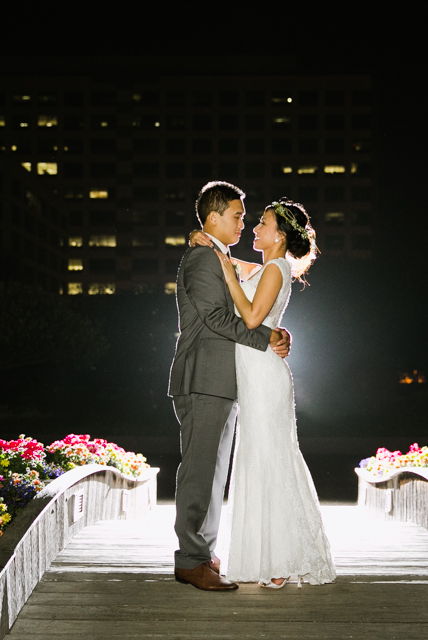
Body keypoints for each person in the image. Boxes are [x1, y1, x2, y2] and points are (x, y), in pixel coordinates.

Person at [192, 198, 336, 589]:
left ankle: (281, 559)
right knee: (260, 458)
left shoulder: (277, 267)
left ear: (281, 235)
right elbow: (227, 258)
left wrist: (228, 276)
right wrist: (202, 239)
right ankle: (272, 557)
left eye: (263, 223)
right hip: (253, 373)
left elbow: (253, 317)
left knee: (271, 459)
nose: (254, 228)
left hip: (264, 376)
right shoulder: (264, 267)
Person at [168, 181, 291, 591]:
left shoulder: (217, 256)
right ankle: (189, 559)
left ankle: (202, 552)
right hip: (203, 376)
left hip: (222, 380)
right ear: (214, 216)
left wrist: (274, 329)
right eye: (237, 216)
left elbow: (260, 281)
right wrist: (266, 337)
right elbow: (214, 319)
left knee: (214, 471)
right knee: (200, 471)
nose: (243, 223)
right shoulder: (203, 259)